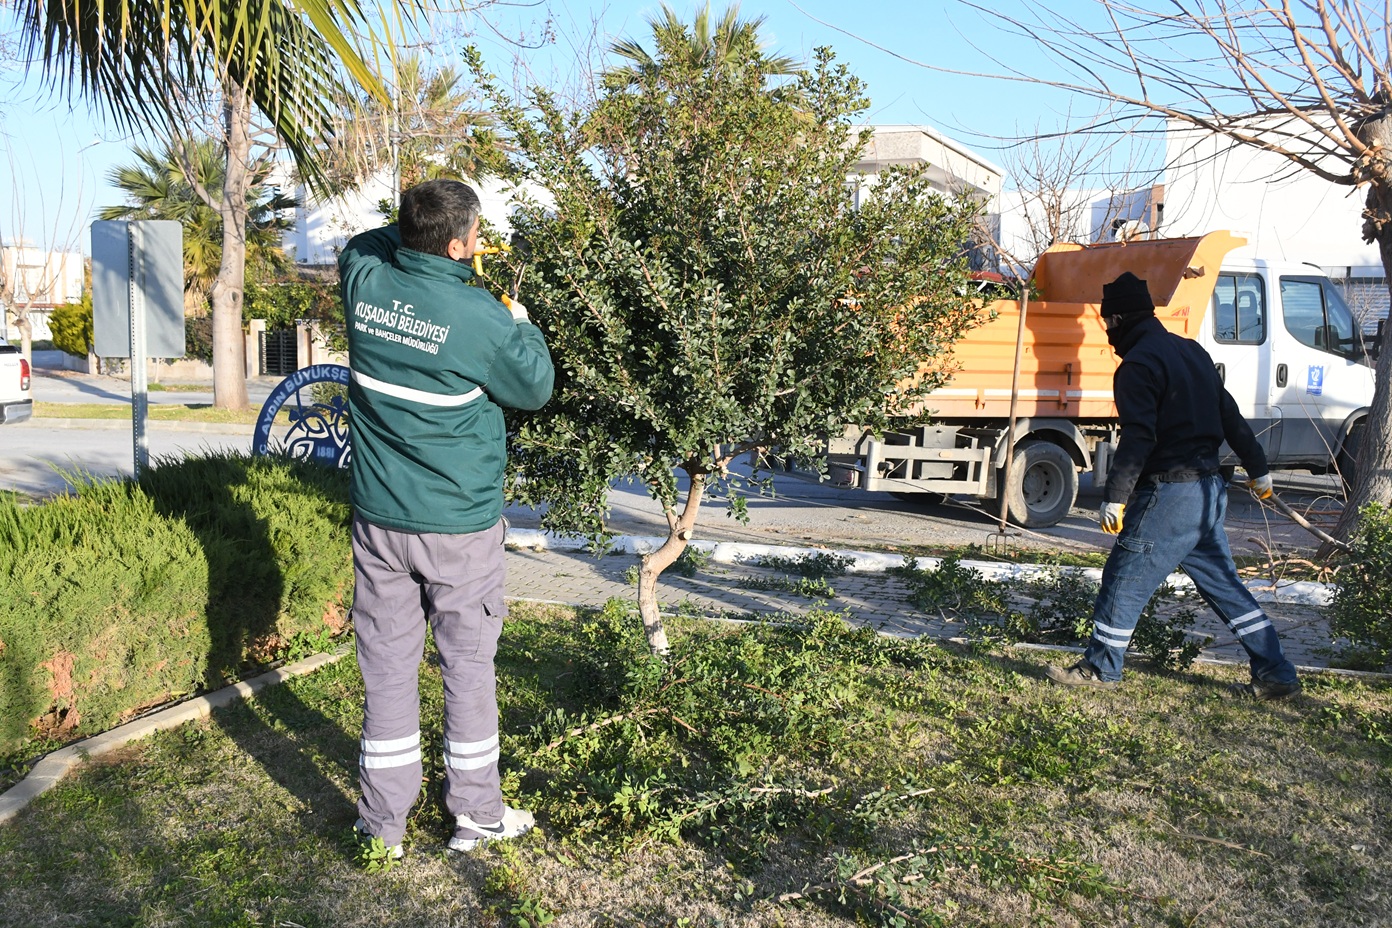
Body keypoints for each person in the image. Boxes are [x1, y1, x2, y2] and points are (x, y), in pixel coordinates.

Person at [339, 179, 555, 858]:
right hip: (459, 526)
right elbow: (536, 388)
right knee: (467, 667)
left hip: (380, 523)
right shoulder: (481, 317)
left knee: (387, 669)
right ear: (463, 243)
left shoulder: (364, 280)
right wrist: (521, 321)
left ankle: (383, 826)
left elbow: (362, 243)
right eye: (474, 236)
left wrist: (413, 235)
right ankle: (475, 814)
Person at [1046, 271, 1300, 700]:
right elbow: (1230, 415)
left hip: (1169, 495)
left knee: (1123, 577)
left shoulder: (1138, 366)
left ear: (1121, 318)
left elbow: (1140, 436)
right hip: (1207, 494)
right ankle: (1276, 672)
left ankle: (1100, 666)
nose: (1108, 332)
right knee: (1224, 586)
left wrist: (1116, 497)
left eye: (1109, 322)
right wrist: (1258, 469)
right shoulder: (1191, 352)